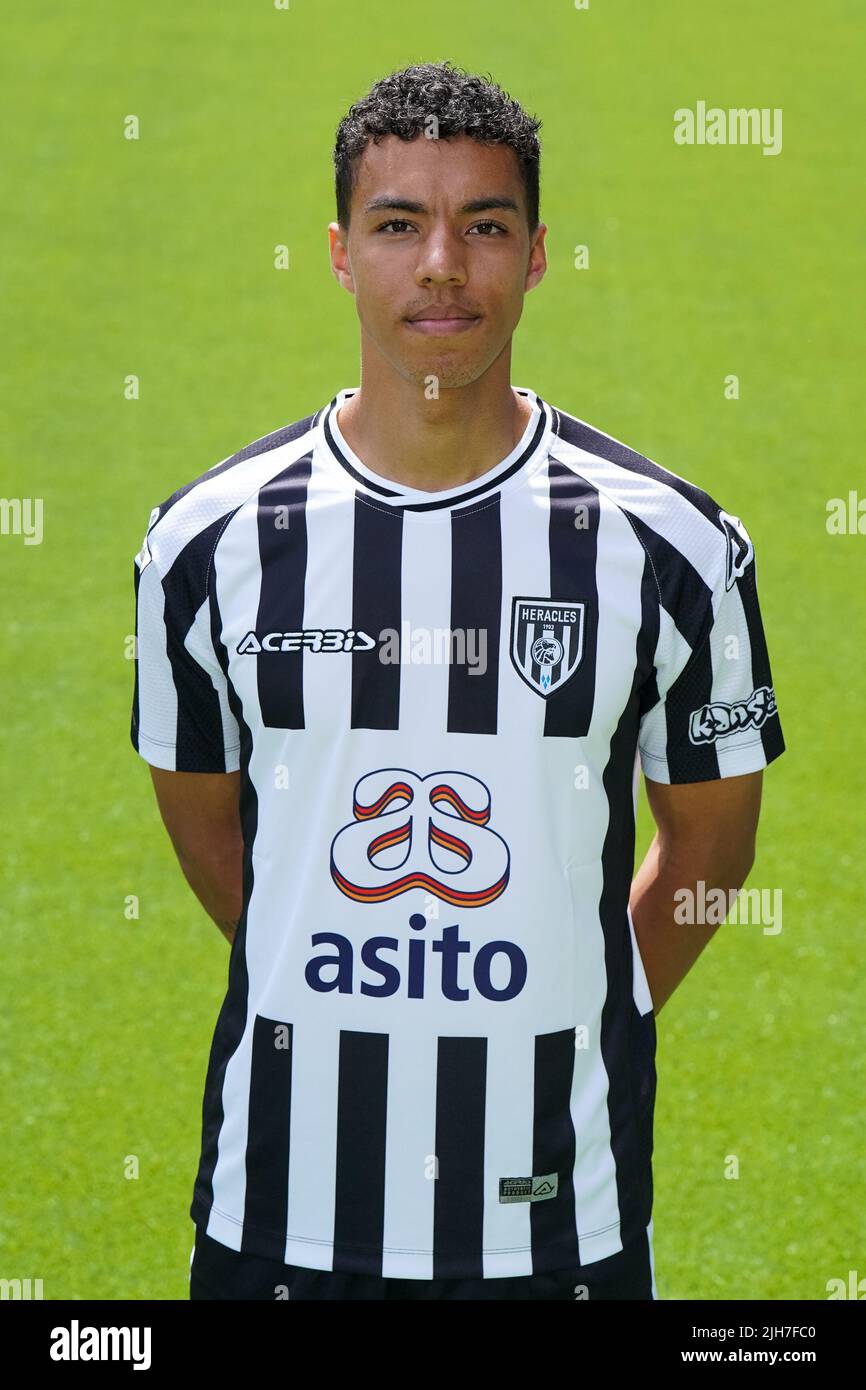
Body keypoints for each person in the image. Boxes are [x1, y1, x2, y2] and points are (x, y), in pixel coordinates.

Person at [130, 61, 785, 1301]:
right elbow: (211, 829)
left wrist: (573, 991)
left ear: (535, 255)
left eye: (483, 225)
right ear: (337, 252)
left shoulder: (670, 547)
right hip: (284, 1214)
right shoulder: (207, 544)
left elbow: (710, 850)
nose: (442, 263)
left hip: (555, 1221)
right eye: (397, 225)